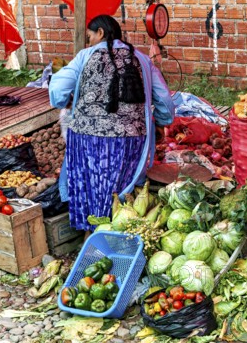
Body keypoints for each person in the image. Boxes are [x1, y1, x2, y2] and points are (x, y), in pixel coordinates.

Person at [49, 15, 174, 236]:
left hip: (86, 137)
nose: (89, 42)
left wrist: (63, 102)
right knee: (121, 185)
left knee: (90, 183)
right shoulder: (142, 59)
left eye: (90, 36)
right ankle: (122, 231)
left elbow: (58, 87)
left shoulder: (84, 56)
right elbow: (163, 98)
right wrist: (163, 122)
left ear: (101, 33)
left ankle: (92, 232)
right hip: (129, 139)